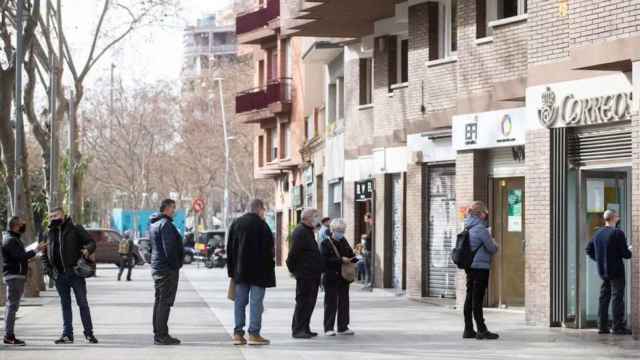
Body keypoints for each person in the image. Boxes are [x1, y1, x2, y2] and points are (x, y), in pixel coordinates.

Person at [42, 207, 98, 344]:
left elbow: (92, 242)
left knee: (82, 303)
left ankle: (89, 333)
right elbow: (44, 254)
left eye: (56, 215)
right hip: (59, 276)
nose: (53, 218)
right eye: (51, 216)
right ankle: (67, 335)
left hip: (75, 273)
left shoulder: (75, 229)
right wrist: (49, 270)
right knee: (65, 305)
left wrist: (87, 250)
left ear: (63, 215)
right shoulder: (48, 233)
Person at [226, 198, 275, 346]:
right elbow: (269, 251)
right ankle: (254, 334)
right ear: (259, 209)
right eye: (263, 210)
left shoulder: (236, 223)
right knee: (256, 303)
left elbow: (230, 249)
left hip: (240, 271)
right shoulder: (263, 226)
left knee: (239, 302)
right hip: (259, 272)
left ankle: (238, 334)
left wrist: (232, 272)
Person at [586, 209, 632, 335]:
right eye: (617, 215)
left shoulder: (597, 233)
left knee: (604, 298)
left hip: (603, 271)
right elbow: (626, 254)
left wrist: (599, 260)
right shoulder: (618, 233)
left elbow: (588, 250)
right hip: (617, 271)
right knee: (617, 298)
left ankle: (602, 326)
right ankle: (617, 327)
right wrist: (629, 250)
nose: (618, 217)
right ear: (614, 218)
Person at [2, 216, 45, 346]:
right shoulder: (10, 240)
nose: (23, 225)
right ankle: (9, 336)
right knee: (12, 306)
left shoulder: (14, 239)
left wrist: (30, 256)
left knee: (12, 306)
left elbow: (19, 257)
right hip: (14, 276)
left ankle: (9, 335)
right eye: (22, 223)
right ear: (15, 226)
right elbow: (18, 257)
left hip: (16, 275)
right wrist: (35, 250)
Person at [149, 199, 184, 345]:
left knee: (159, 301)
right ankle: (162, 335)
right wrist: (176, 265)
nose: (174, 211)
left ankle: (159, 333)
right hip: (166, 269)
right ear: (167, 208)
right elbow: (168, 249)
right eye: (173, 208)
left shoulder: (154, 224)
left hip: (158, 267)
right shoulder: (166, 225)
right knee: (164, 302)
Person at [286, 208, 324, 339]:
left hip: (312, 275)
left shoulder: (308, 231)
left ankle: (305, 328)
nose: (317, 219)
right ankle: (298, 330)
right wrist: (294, 270)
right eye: (315, 216)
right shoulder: (300, 232)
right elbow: (293, 254)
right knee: (303, 302)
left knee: (310, 302)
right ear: (306, 218)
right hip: (305, 275)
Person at [463, 201, 498, 340]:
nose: (486, 215)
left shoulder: (467, 226)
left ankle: (468, 329)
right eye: (485, 213)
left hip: (470, 266)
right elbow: (492, 248)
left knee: (469, 297)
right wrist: (494, 241)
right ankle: (482, 330)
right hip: (481, 268)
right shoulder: (481, 229)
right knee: (477, 299)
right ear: (481, 213)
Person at [320, 218, 356, 336]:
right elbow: (324, 260)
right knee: (331, 302)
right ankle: (328, 328)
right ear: (333, 230)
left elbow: (350, 253)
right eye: (339, 230)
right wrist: (340, 260)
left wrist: (353, 258)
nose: (341, 233)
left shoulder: (344, 241)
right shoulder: (325, 243)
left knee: (344, 302)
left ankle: (343, 326)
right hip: (331, 277)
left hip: (343, 277)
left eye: (343, 230)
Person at [361, 213, 373, 289]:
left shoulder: (372, 227)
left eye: (365, 218)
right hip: (367, 250)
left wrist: (364, 236)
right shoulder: (370, 226)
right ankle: (367, 283)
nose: (364, 220)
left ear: (369, 218)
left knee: (368, 267)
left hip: (368, 250)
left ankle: (368, 283)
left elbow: (369, 236)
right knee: (366, 267)